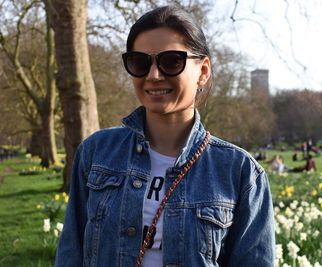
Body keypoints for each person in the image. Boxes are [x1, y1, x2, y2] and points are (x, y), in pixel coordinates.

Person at [55, 5, 275, 267]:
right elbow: (70, 254)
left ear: (203, 71)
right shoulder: (96, 153)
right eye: (140, 62)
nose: (153, 75)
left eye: (171, 61)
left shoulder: (240, 173)